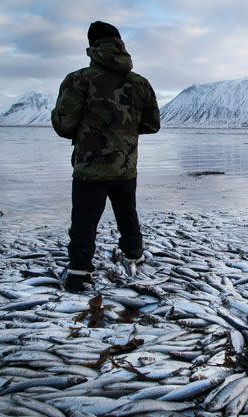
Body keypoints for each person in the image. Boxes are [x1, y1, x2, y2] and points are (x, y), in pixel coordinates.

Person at [51, 21, 160, 292]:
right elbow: (152, 124)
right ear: (119, 43)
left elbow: (64, 125)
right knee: (127, 213)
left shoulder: (79, 80)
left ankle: (79, 274)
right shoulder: (140, 83)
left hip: (90, 167)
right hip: (125, 166)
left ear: (92, 45)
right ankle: (134, 254)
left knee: (84, 221)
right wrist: (124, 133)